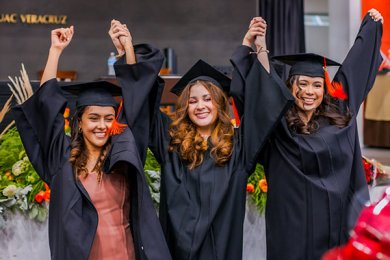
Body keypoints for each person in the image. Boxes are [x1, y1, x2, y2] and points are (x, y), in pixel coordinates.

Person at [113, 17, 293, 259]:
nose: (200, 106)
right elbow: (140, 108)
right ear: (185, 107)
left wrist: (253, 46)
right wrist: (128, 52)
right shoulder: (171, 142)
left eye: (208, 99)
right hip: (177, 251)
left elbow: (264, 106)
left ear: (219, 104)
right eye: (193, 100)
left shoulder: (239, 146)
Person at [230, 9, 384, 260]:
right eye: (301, 83)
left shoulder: (339, 119)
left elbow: (354, 69)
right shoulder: (279, 127)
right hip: (291, 228)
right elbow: (263, 96)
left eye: (316, 85)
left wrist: (371, 25)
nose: (309, 91)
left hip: (334, 227)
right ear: (290, 87)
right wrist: (254, 46)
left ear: (325, 89)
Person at [12, 22, 171, 260]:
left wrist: (127, 48)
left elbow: (136, 102)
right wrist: (55, 51)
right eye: (93, 118)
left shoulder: (122, 152)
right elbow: (47, 107)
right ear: (80, 122)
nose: (101, 125)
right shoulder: (63, 158)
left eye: (108, 118)